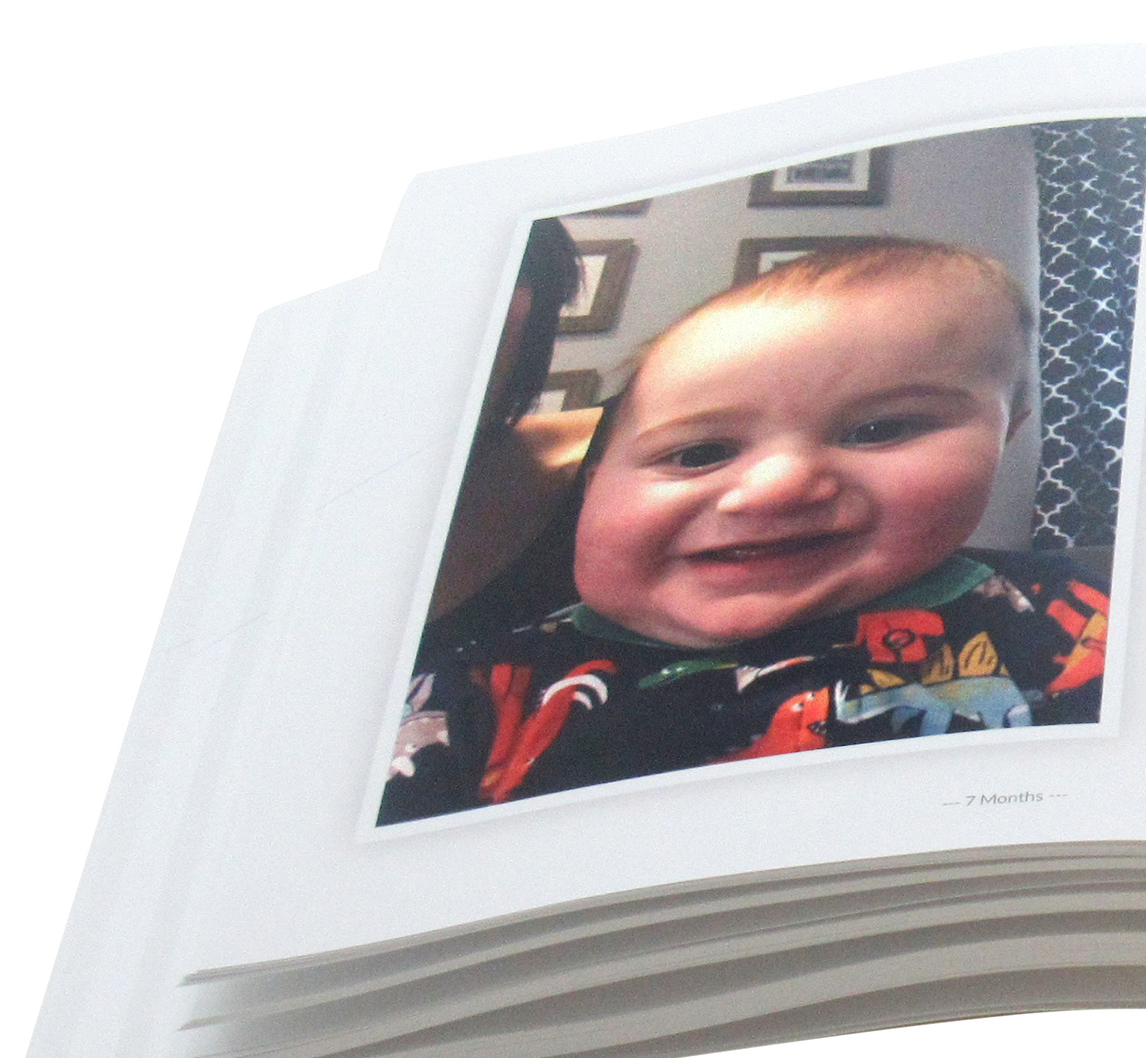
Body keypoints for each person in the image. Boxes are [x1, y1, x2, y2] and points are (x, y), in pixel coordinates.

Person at [382, 240, 1108, 824]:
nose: (778, 486)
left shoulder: (1075, 620)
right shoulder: (476, 691)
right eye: (699, 453)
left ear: (1005, 436)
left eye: (878, 430)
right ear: (593, 481)